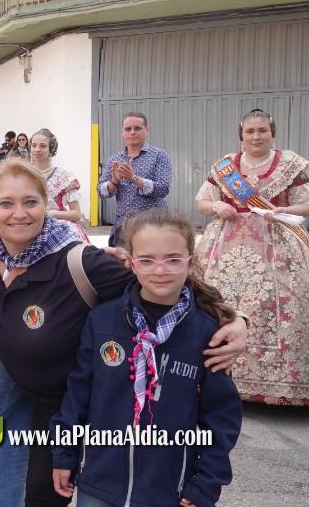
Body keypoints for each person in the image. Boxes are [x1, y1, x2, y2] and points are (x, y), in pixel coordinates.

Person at [0, 159, 248, 507]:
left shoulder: (83, 263)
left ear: (48, 205)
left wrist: (236, 319)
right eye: (6, 203)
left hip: (75, 412)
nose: (19, 214)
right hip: (31, 405)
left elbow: (162, 284)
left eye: (31, 202)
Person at [51, 208, 242, 507]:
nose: (160, 270)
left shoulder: (209, 334)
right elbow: (78, 395)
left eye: (173, 260)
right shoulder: (102, 320)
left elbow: (222, 416)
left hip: (169, 489)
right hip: (98, 482)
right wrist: (64, 454)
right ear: (131, 262)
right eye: (147, 260)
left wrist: (207, 481)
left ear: (190, 261)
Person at [195, 108, 309, 405]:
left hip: (277, 243)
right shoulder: (225, 167)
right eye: (250, 131)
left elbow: (308, 206)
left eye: (262, 130)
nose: (256, 136)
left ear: (272, 132)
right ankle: (213, 376)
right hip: (226, 244)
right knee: (217, 300)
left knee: (282, 302)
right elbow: (203, 201)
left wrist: (283, 211)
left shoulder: (290, 164)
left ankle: (283, 382)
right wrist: (216, 208)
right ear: (242, 134)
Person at [96, 112, 172, 246]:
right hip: (123, 226)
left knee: (150, 264)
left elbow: (163, 189)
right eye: (128, 129)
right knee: (121, 265)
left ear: (146, 130)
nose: (132, 132)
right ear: (122, 133)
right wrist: (114, 181)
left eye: (137, 128)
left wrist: (134, 178)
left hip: (153, 225)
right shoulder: (114, 159)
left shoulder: (159, 155)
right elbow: (101, 192)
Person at [29, 128, 88, 242]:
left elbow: (76, 214)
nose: (37, 149)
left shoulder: (64, 177)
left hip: (57, 229)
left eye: (42, 146)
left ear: (51, 149)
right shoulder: (22, 175)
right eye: (34, 145)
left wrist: (54, 213)